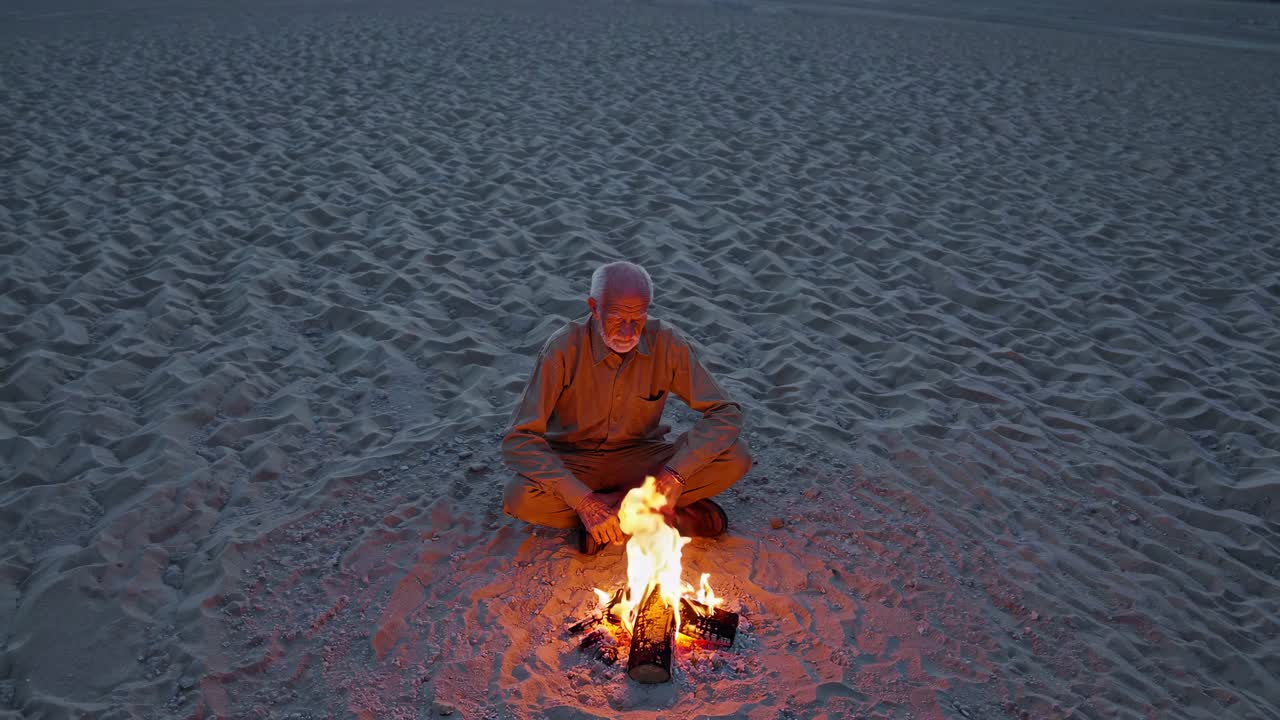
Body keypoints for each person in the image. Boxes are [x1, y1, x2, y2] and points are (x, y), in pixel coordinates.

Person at [501, 261, 752, 555]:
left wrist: (674, 476)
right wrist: (583, 501)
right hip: (577, 463)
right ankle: (658, 514)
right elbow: (518, 440)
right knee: (520, 498)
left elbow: (725, 413)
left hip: (642, 460)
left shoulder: (667, 343)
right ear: (594, 308)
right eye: (618, 317)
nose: (628, 330)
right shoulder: (562, 349)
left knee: (736, 457)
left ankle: (613, 520)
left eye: (638, 318)